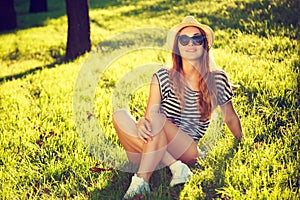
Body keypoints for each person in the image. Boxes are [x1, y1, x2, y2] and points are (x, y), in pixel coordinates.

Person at [112, 16, 243, 199]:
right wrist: (141, 122)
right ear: (177, 47)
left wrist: (241, 142)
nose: (191, 44)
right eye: (184, 39)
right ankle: (175, 167)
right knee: (120, 115)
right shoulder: (162, 76)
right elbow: (148, 119)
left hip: (187, 148)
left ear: (205, 45)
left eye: (197, 38)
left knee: (156, 118)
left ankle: (141, 181)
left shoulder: (217, 79)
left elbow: (230, 117)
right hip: (154, 144)